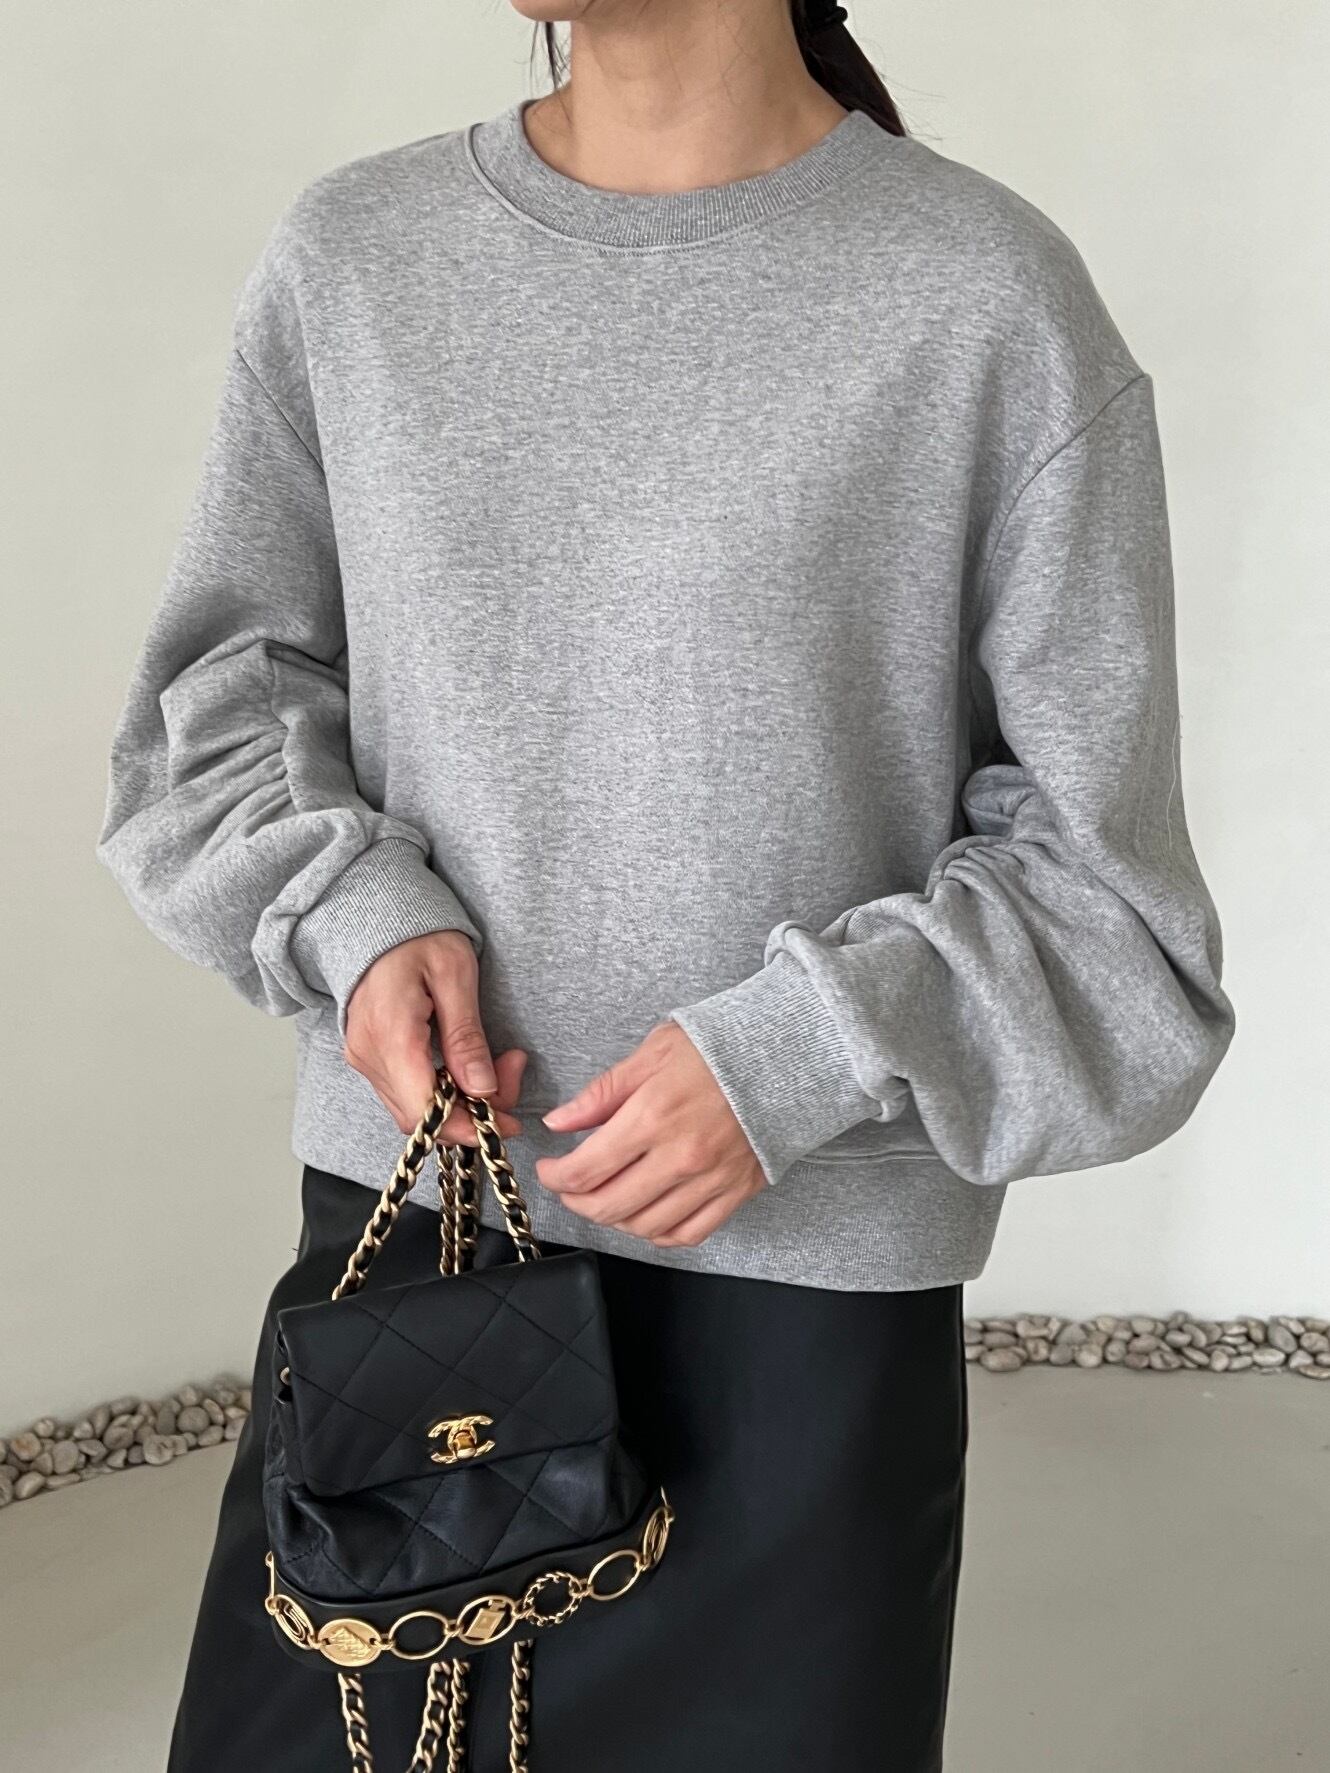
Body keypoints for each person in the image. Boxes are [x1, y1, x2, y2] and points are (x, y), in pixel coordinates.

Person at [97, 1, 1236, 1767]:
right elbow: (212, 715)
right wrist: (359, 918)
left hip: (802, 1322)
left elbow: (1114, 912)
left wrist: (800, 1047)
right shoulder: (359, 259)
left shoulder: (981, 298)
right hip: (416, 1255)